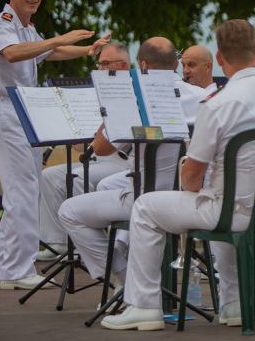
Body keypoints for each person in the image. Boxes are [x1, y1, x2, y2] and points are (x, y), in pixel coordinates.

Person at [100, 20, 255, 330]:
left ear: (219, 59)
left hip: (231, 213)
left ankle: (143, 305)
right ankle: (233, 304)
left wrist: (189, 176)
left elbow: (192, 179)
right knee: (221, 198)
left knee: (145, 207)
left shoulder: (218, 104)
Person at [0, 0, 109, 290]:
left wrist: (87, 49)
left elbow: (49, 51)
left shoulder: (25, 27)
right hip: (6, 107)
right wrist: (59, 37)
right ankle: (17, 270)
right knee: (24, 191)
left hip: (21, 109)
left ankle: (0, 267)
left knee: (23, 189)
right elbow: (12, 54)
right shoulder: (4, 23)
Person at [57, 37, 206, 296]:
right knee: (111, 183)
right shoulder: (203, 97)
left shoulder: (135, 96)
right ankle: (138, 274)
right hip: (190, 194)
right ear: (176, 64)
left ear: (143, 64)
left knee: (70, 211)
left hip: (146, 197)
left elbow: (101, 149)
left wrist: (110, 110)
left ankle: (126, 278)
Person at [37, 42, 133, 261]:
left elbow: (110, 144)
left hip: (121, 161)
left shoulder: (127, 90)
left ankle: (87, 244)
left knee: (79, 177)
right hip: (99, 156)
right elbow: (89, 144)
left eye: (106, 64)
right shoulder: (99, 91)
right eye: (99, 64)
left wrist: (93, 140)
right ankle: (58, 242)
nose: (100, 69)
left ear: (124, 65)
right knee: (49, 176)